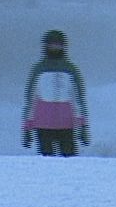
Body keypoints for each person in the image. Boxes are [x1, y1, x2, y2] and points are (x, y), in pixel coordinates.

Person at [23, 29, 89, 157]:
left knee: (70, 160)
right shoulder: (39, 69)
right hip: (43, 123)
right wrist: (27, 128)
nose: (55, 47)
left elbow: (79, 99)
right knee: (47, 162)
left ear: (64, 46)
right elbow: (30, 100)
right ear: (45, 46)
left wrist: (83, 126)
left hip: (66, 123)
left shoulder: (70, 69)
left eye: (58, 45)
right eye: (51, 44)